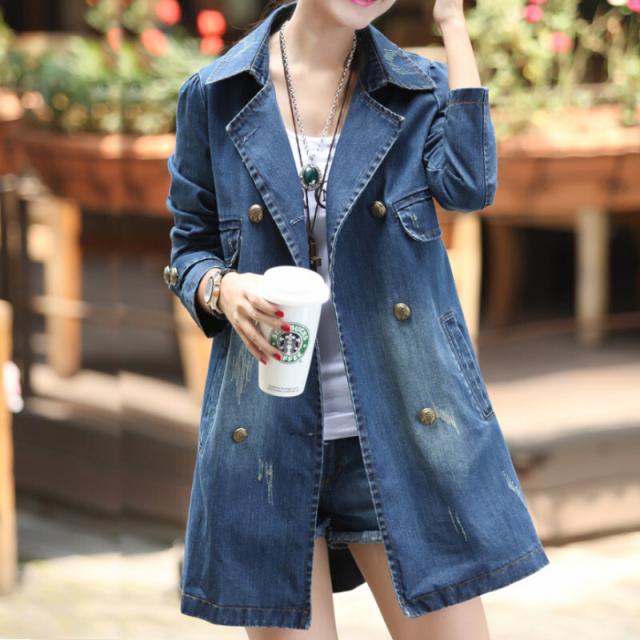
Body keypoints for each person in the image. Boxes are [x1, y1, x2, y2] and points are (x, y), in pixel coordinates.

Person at [165, 0, 550, 638]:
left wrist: (453, 25)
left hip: (401, 431)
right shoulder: (215, 93)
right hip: (266, 440)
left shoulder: (417, 88)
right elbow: (189, 248)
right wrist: (223, 288)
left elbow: (470, 185)